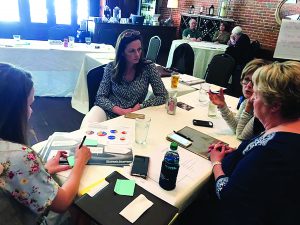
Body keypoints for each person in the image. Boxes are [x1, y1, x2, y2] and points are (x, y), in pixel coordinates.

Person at [208, 61, 300, 225]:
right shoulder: (286, 129)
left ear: (275, 105)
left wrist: (216, 162)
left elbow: (228, 195)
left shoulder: (271, 152)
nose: (253, 99)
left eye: (257, 95)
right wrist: (241, 153)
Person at [0, 63, 92, 225]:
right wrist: (80, 161)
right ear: (11, 110)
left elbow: (10, 179)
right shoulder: (19, 156)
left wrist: (43, 170)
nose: (31, 111)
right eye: (28, 105)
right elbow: (62, 202)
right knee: (82, 207)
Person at [81, 29, 167, 127]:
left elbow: (163, 96)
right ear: (122, 52)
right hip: (109, 111)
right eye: (132, 51)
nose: (137, 55)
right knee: (87, 127)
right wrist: (119, 110)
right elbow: (100, 97)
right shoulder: (111, 67)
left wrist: (141, 105)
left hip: (133, 115)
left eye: (139, 49)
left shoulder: (148, 67)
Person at [208, 59, 269, 140]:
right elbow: (236, 127)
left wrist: (248, 107)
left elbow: (240, 135)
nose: (248, 85)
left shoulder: (261, 108)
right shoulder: (246, 101)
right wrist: (222, 105)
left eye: (255, 82)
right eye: (246, 79)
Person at [225, 26, 252, 97]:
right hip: (244, 63)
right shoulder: (245, 37)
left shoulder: (242, 40)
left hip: (240, 65)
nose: (233, 37)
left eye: (234, 36)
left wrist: (233, 42)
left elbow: (232, 52)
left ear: (236, 35)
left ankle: (233, 91)